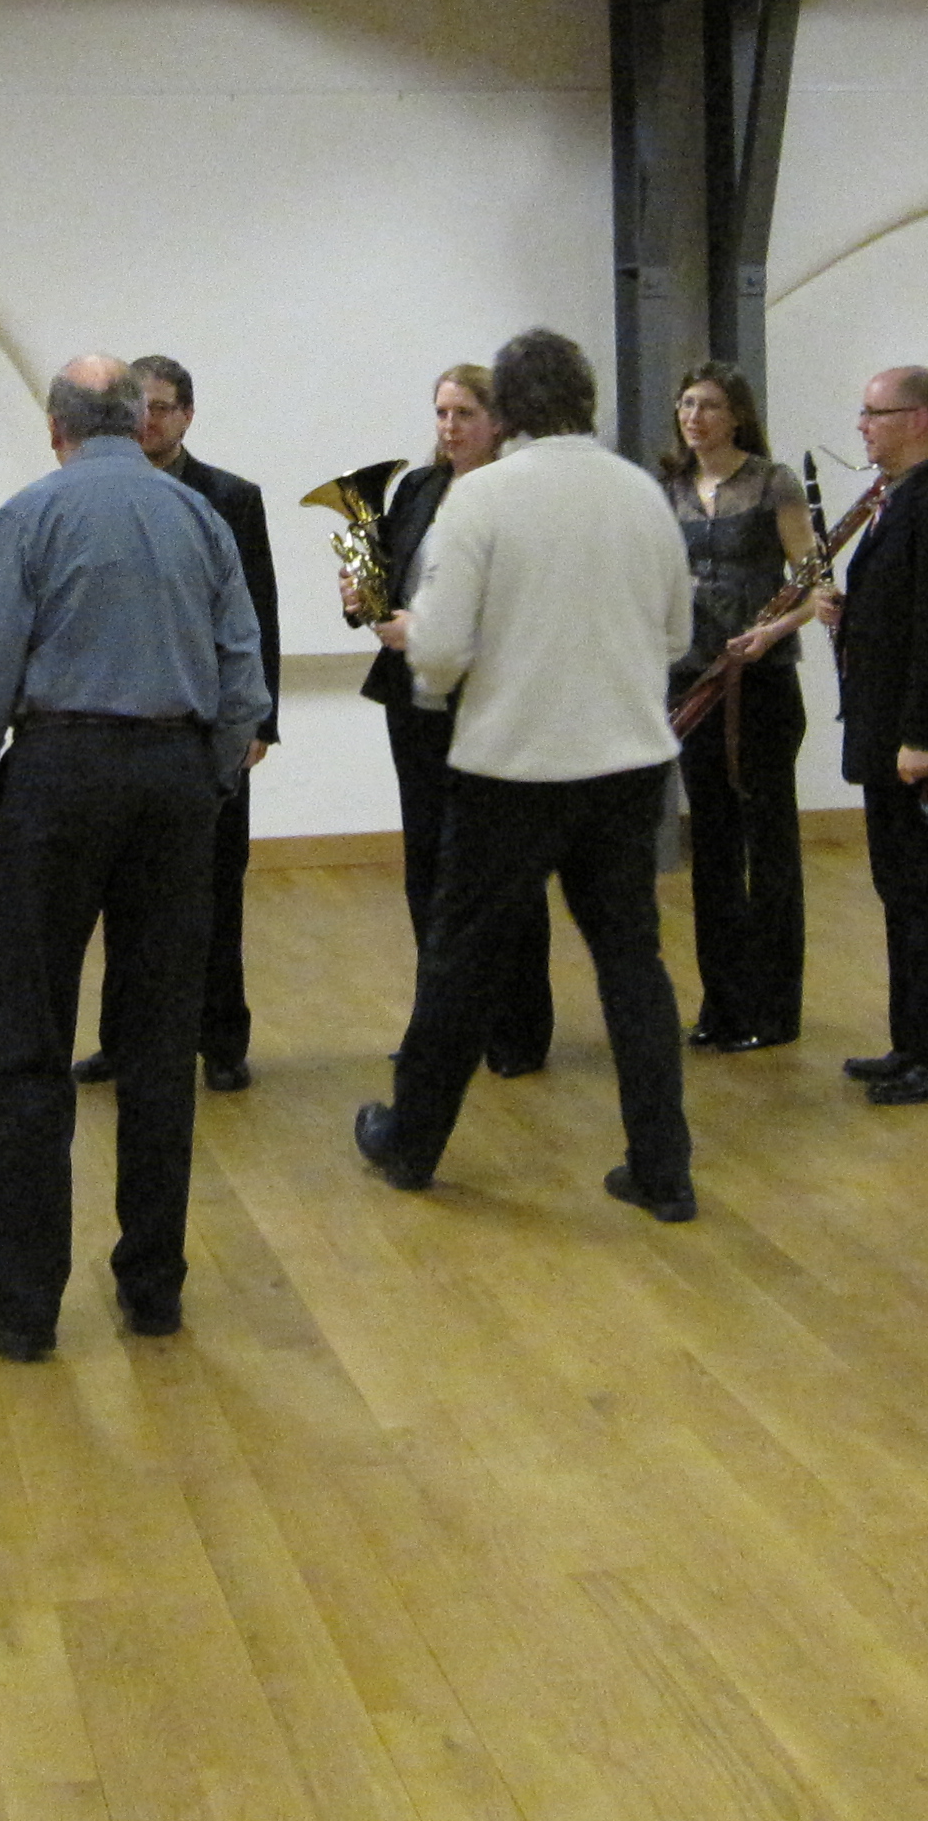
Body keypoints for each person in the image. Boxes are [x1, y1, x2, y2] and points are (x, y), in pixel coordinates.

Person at [0, 356, 268, 1361]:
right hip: (174, 783)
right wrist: (201, 781)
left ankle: (23, 1303)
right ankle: (153, 1289)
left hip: (60, 778)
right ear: (138, 420)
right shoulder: (199, 518)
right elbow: (244, 682)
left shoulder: (30, 516)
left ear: (58, 430)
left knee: (29, 1038)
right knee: (161, 1044)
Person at [353, 328, 700, 1221]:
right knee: (633, 965)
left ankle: (412, 1144)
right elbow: (676, 636)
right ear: (586, 400)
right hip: (628, 765)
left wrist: (426, 650)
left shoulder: (483, 498)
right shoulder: (642, 493)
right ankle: (663, 1170)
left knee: (460, 962)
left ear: (505, 411)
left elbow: (439, 653)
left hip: (511, 767)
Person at [76, 352, 280, 1092]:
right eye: (139, 407)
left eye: (162, 407)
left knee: (218, 890)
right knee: (122, 894)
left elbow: (258, 615)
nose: (149, 421)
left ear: (188, 415)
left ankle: (221, 1042)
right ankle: (121, 1040)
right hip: (128, 724)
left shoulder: (233, 498)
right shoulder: (97, 494)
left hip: (213, 726)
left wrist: (260, 724)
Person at [354, 362, 552, 1074]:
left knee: (501, 868)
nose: (449, 427)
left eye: (464, 413)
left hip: (489, 699)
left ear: (498, 424)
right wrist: (363, 597)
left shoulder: (519, 497)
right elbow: (394, 578)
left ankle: (518, 1027)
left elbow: (523, 604)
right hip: (416, 699)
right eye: (441, 413)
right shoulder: (419, 488)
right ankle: (439, 1023)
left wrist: (429, 628)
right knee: (428, 866)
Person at [815, 365, 928, 1106]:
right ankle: (912, 1042)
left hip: (918, 745)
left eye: (874, 413)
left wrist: (923, 738)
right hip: (888, 736)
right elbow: (901, 613)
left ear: (917, 419)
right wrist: (848, 612)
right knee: (902, 894)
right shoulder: (901, 503)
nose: (862, 426)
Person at [657, 359, 821, 1055]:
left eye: (709, 405)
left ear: (737, 416)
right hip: (694, 683)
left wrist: (770, 633)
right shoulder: (668, 488)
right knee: (714, 847)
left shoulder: (772, 482)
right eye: (687, 404)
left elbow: (816, 587)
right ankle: (723, 1004)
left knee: (770, 844)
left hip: (761, 683)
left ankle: (775, 1009)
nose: (694, 417)